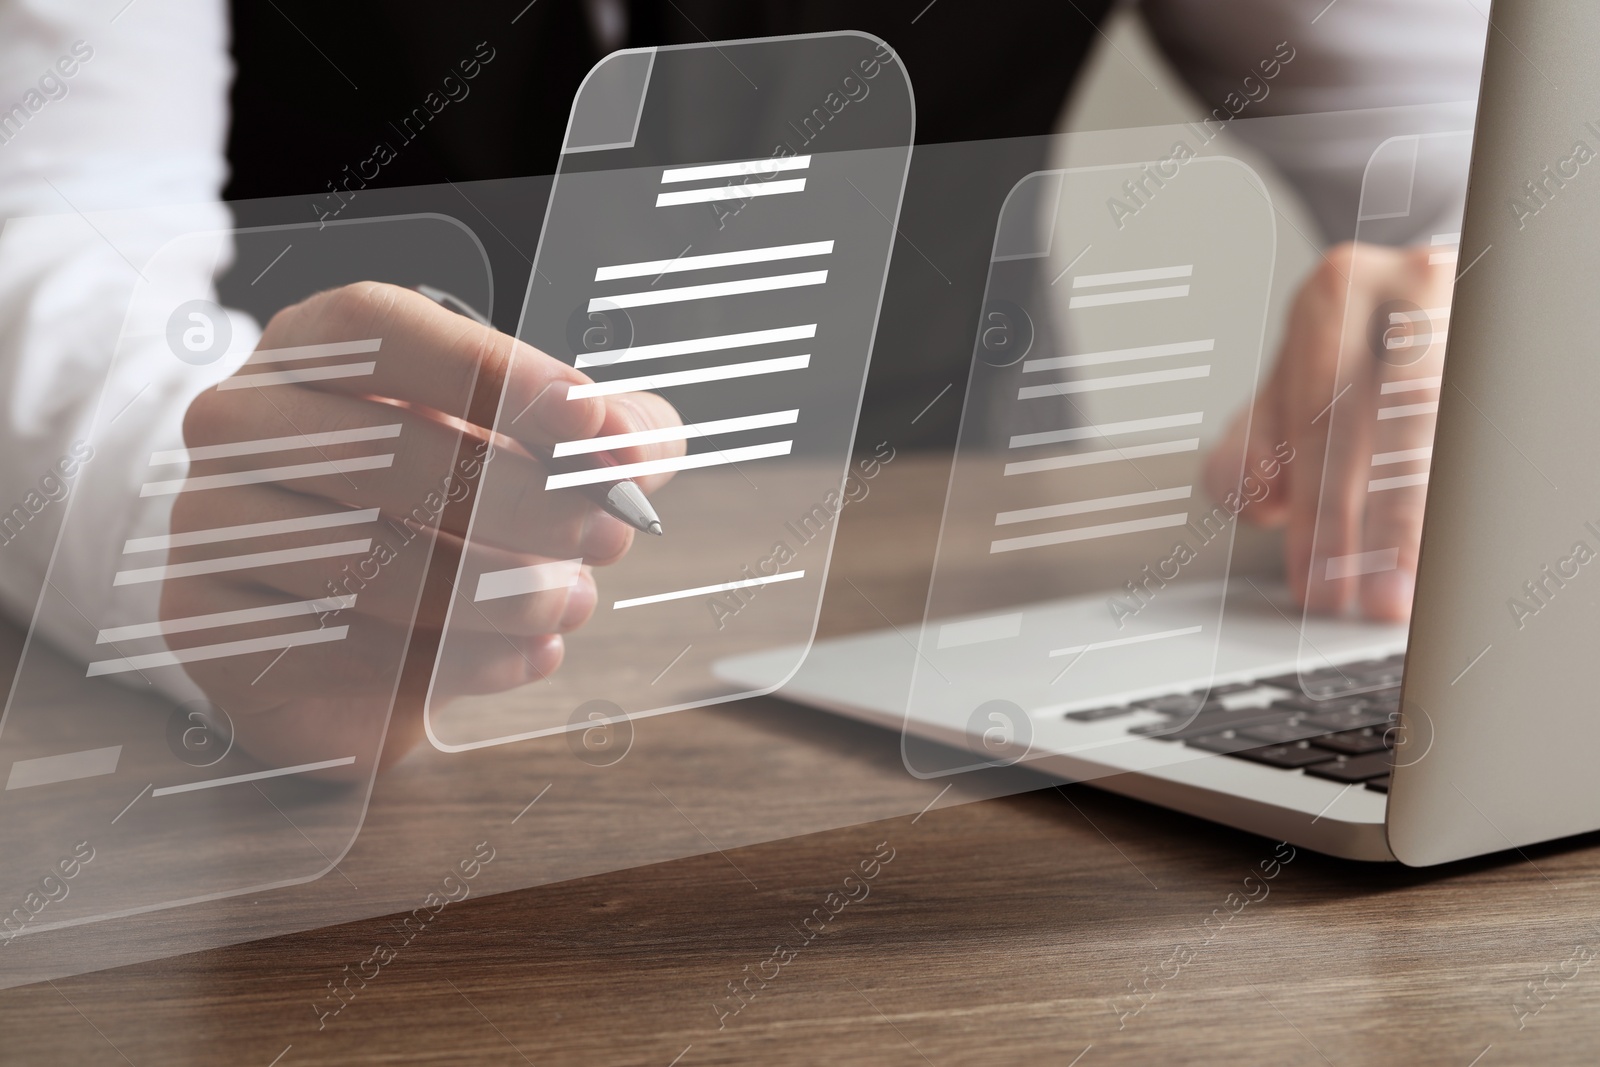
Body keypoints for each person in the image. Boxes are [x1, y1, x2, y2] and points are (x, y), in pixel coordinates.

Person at [0, 0, 1485, 765]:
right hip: (331, 729)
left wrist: (1467, 286)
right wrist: (195, 521)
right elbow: (53, 205)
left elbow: (1470, 120)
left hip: (962, 655)